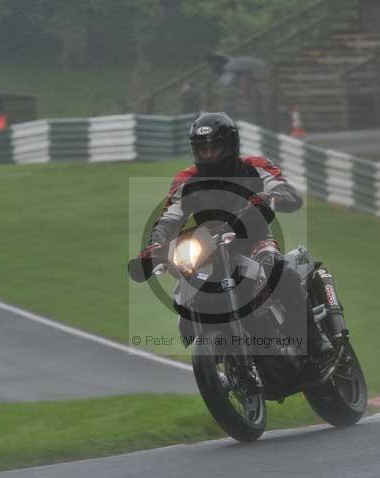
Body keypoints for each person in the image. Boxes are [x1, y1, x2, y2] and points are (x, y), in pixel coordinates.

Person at [137, 112, 333, 363]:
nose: (208, 154)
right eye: (203, 149)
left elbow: (287, 192)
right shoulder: (186, 180)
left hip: (255, 241)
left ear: (230, 145)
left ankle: (313, 339)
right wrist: (154, 246)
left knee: (279, 271)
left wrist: (271, 198)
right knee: (191, 289)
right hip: (210, 250)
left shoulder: (254, 166)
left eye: (214, 148)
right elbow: (168, 218)